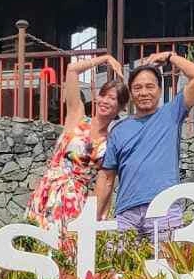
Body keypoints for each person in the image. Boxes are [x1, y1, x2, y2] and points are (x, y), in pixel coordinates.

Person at [93, 47, 194, 246]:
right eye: (137, 88)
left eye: (149, 86)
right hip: (126, 214)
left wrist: (170, 57)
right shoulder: (119, 130)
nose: (144, 92)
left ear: (160, 90)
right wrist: (93, 219)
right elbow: (106, 178)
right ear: (130, 92)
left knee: (167, 271)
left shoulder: (171, 114)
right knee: (124, 273)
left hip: (164, 209)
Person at [28, 51, 126, 235]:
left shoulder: (111, 140)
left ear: (120, 107)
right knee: (36, 245)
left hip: (75, 199)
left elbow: (107, 181)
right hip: (48, 191)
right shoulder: (77, 115)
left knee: (68, 250)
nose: (105, 101)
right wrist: (105, 58)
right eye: (104, 95)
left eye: (113, 99)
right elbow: (71, 70)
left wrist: (97, 217)